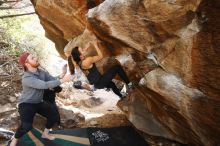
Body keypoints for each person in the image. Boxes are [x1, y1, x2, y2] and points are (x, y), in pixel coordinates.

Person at [9, 52, 72, 146]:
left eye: (34, 56)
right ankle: (15, 138)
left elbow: (51, 79)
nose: (36, 58)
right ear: (27, 63)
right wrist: (63, 80)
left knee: (54, 115)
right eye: (32, 58)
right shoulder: (27, 78)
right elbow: (44, 85)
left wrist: (62, 74)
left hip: (38, 102)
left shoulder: (41, 72)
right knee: (26, 126)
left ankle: (45, 134)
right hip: (26, 104)